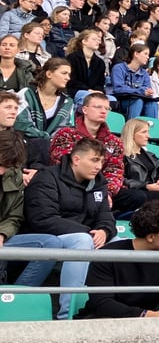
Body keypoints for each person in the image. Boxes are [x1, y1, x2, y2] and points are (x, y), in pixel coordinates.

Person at [23, 137, 116, 319]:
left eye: (101, 161)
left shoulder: (99, 183)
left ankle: (117, 308)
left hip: (85, 234)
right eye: (94, 160)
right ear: (76, 159)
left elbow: (106, 216)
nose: (99, 166)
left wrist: (104, 231)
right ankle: (67, 314)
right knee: (82, 241)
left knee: (122, 243)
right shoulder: (47, 177)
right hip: (47, 237)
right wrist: (87, 233)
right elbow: (42, 218)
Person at [75, 201, 159, 318]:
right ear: (151, 237)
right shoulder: (106, 255)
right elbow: (102, 303)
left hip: (151, 321)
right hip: (103, 321)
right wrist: (145, 315)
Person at [0, 128, 62, 287]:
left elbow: (14, 217)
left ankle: (18, 297)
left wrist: (2, 234)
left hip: (3, 238)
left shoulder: (14, 175)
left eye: (6, 166)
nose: (2, 170)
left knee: (51, 244)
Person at [49, 91, 126, 195]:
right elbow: (63, 164)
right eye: (98, 107)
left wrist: (106, 192)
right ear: (84, 109)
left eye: (107, 108)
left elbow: (114, 171)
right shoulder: (67, 134)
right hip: (69, 186)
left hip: (102, 187)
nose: (103, 111)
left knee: (137, 197)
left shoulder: (114, 141)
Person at [14, 57, 75, 166]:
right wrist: (47, 138)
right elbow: (22, 125)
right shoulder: (26, 94)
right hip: (24, 144)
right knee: (42, 144)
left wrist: (50, 140)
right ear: (49, 74)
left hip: (52, 147)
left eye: (69, 75)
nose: (68, 78)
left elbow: (64, 129)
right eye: (64, 73)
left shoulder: (68, 102)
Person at [119, 118, 159, 206]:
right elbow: (120, 180)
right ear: (132, 134)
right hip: (137, 193)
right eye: (144, 132)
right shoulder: (121, 156)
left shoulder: (151, 156)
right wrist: (146, 186)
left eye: (148, 132)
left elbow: (158, 173)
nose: (148, 136)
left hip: (154, 191)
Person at [111, 44, 159, 119]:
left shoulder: (144, 73)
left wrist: (148, 92)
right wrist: (140, 91)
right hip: (123, 101)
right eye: (145, 54)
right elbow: (118, 89)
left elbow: (147, 89)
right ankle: (132, 128)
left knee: (152, 103)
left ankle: (151, 130)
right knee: (137, 101)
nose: (148, 57)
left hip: (140, 100)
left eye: (148, 54)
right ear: (136, 54)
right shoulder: (119, 68)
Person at [64, 29, 107, 100]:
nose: (98, 42)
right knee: (87, 97)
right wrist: (88, 90)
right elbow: (71, 81)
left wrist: (97, 92)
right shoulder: (72, 58)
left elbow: (100, 83)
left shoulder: (100, 62)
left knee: (111, 99)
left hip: (94, 93)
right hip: (75, 90)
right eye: (94, 39)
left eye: (98, 40)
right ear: (84, 41)